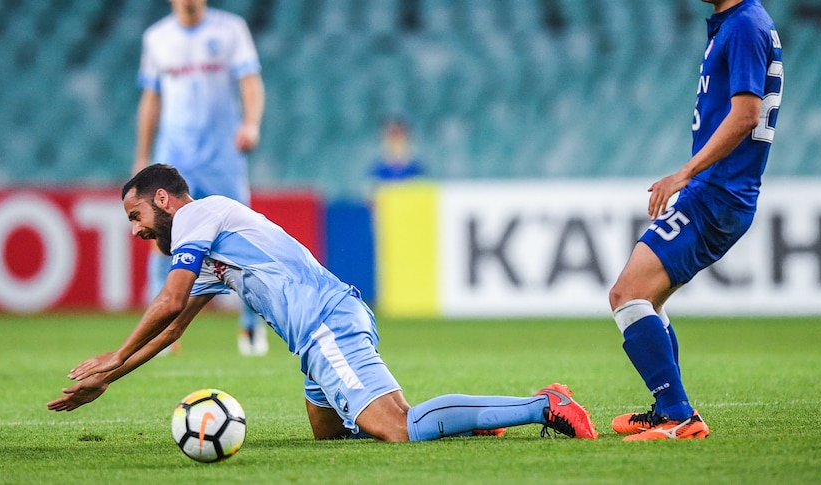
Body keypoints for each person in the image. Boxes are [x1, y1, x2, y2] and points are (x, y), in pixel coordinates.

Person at [47, 164, 598, 442]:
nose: (137, 230)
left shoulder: (197, 216)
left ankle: (542, 404)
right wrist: (108, 378)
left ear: (163, 200)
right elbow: (172, 330)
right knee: (330, 436)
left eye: (136, 217)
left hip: (327, 325)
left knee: (397, 428)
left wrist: (113, 356)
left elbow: (167, 302)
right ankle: (470, 421)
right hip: (317, 340)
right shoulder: (212, 252)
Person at [608, 0, 782, 441]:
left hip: (717, 192)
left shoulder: (744, 25)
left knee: (627, 294)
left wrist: (684, 173)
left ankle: (678, 415)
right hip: (719, 191)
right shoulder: (739, 23)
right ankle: (669, 408)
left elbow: (746, 114)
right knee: (647, 299)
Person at [133, 0, 268, 356]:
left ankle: (251, 326)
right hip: (175, 155)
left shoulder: (230, 29)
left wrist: (251, 124)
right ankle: (159, 331)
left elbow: (251, 82)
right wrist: (142, 156)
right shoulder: (157, 37)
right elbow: (151, 99)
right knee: (161, 236)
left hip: (223, 155)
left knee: (240, 236)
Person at [368, 117, 425, 183]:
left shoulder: (417, 171)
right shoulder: (376, 173)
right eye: (391, 137)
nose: (395, 143)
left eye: (399, 137)